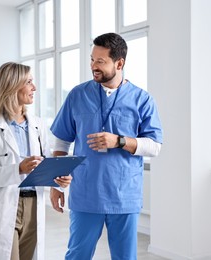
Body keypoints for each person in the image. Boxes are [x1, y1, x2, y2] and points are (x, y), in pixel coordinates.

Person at [49, 32, 163, 259]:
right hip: (85, 193)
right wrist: (57, 184)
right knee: (77, 254)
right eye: (92, 59)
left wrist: (119, 141)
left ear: (119, 63)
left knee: (124, 257)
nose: (93, 66)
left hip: (124, 195)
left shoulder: (142, 99)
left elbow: (154, 146)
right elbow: (62, 139)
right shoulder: (77, 95)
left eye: (100, 61)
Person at [0, 62, 72, 260]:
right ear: (12, 85)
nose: (34, 88)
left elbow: (45, 165)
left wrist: (59, 179)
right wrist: (18, 169)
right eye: (29, 82)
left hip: (33, 206)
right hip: (5, 206)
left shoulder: (37, 125)